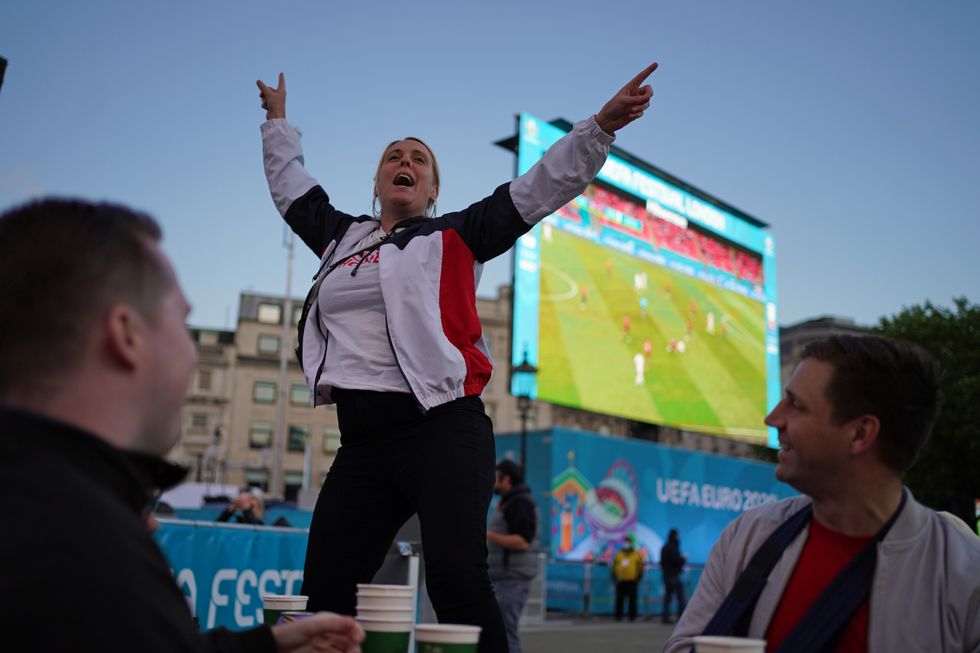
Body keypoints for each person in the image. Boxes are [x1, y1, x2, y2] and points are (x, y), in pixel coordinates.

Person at [256, 62, 658, 653]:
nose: (405, 163)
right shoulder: (341, 238)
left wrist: (598, 128)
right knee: (325, 593)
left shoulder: (457, 235)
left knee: (457, 582)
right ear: (378, 180)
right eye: (395, 156)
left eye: (419, 160)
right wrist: (277, 123)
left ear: (433, 188)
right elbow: (290, 186)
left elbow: (540, 186)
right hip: (362, 444)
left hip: (442, 430)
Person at [0, 198, 364, 653]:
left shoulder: (46, 509)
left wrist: (264, 649)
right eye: (182, 322)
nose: (193, 354)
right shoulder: (81, 551)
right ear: (127, 335)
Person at [664, 335, 980, 653]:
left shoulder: (962, 570)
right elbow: (682, 645)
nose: (773, 419)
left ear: (859, 434)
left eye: (796, 405)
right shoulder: (747, 537)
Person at [487, 460, 539, 653]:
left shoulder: (519, 503)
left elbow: (523, 541)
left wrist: (488, 535)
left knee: (506, 634)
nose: (492, 481)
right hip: (505, 577)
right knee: (501, 633)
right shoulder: (511, 501)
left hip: (512, 579)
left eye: (496, 476)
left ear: (506, 478)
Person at [611, 534, 645, 622]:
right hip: (621, 580)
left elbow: (640, 567)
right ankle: (618, 616)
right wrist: (614, 576)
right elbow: (614, 566)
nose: (626, 544)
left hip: (632, 580)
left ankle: (632, 617)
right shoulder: (619, 554)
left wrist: (638, 577)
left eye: (628, 542)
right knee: (619, 599)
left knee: (632, 599)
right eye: (625, 542)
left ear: (631, 543)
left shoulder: (636, 554)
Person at [659, 529, 687, 624]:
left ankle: (665, 617)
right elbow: (677, 560)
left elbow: (662, 562)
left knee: (667, 597)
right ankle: (681, 619)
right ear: (675, 535)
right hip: (674, 575)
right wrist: (683, 559)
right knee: (681, 598)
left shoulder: (665, 547)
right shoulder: (674, 547)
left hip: (666, 575)